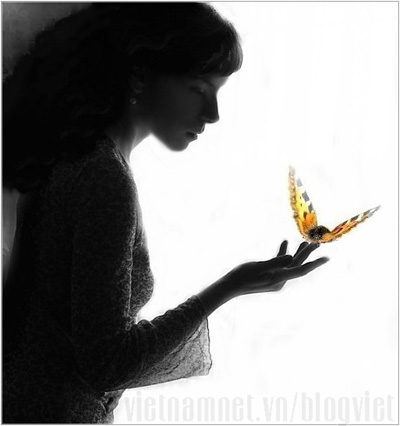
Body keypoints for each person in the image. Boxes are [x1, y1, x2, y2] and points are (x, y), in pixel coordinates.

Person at [2, 3, 329, 424]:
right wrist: (228, 287)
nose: (213, 114)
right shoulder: (104, 180)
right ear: (140, 76)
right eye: (198, 88)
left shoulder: (84, 159)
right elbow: (108, 363)